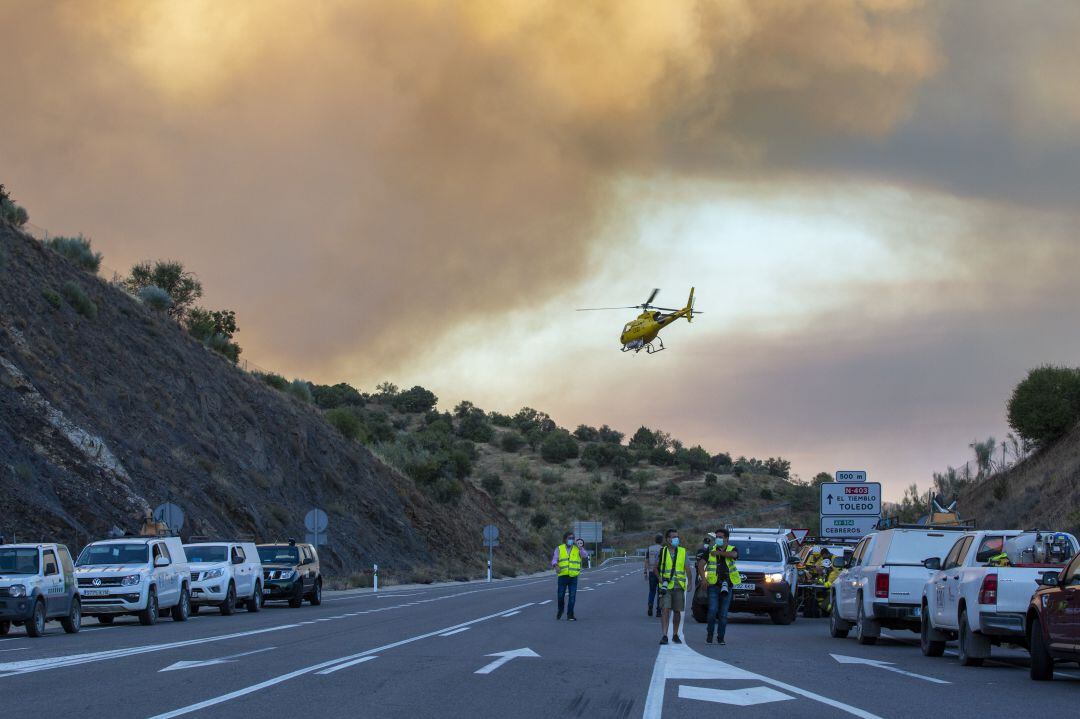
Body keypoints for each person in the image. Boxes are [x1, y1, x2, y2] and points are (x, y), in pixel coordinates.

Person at [702, 528, 740, 645]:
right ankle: (709, 634)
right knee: (712, 611)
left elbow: (734, 555)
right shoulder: (710, 550)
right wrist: (703, 579)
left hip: (727, 585)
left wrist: (719, 553)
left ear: (726, 539)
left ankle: (720, 637)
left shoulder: (732, 549)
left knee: (723, 614)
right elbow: (700, 564)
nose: (718, 539)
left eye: (720, 537)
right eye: (716, 537)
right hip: (713, 585)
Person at [657, 528, 689, 645]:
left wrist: (690, 582)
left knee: (677, 612)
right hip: (666, 587)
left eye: (677, 537)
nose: (676, 539)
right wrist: (660, 579)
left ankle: (675, 634)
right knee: (665, 610)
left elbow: (687, 568)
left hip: (679, 586)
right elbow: (656, 567)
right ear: (668, 539)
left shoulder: (683, 551)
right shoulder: (662, 551)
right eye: (673, 537)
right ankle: (664, 635)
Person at [552, 531, 582, 621]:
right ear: (565, 539)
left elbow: (585, 555)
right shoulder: (559, 548)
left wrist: (580, 547)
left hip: (573, 576)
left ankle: (570, 614)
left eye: (573, 538)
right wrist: (556, 566)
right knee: (560, 595)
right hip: (563, 576)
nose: (571, 540)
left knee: (572, 596)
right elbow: (554, 559)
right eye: (569, 538)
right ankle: (560, 609)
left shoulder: (577, 549)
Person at [644, 533, 663, 617]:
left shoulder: (650, 548)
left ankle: (650, 606)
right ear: (662, 540)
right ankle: (659, 610)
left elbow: (646, 560)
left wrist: (645, 572)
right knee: (660, 592)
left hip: (651, 572)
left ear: (655, 540)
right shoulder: (663, 549)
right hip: (660, 573)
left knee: (652, 591)